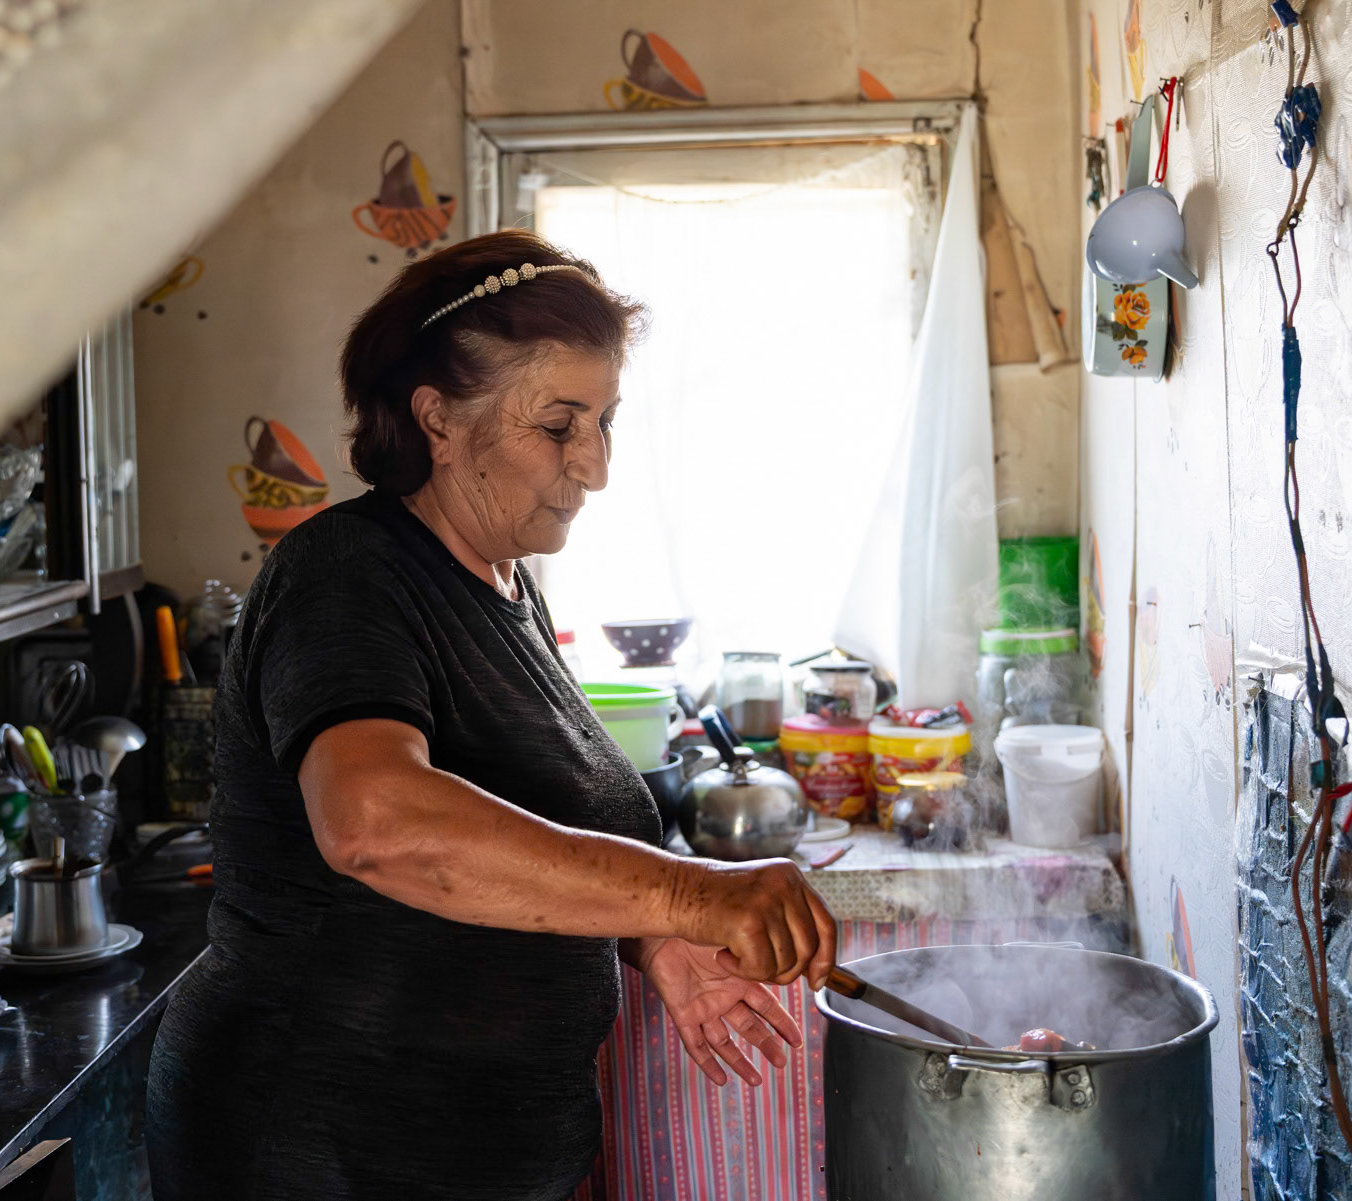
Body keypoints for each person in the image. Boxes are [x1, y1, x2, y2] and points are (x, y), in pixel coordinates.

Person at [147, 229, 838, 1201]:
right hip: (321, 1143)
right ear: (437, 418)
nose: (594, 466)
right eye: (558, 426)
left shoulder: (505, 586)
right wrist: (689, 895)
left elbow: (520, 835)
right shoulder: (345, 575)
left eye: (605, 421)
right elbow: (376, 822)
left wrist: (651, 938)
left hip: (470, 1151)